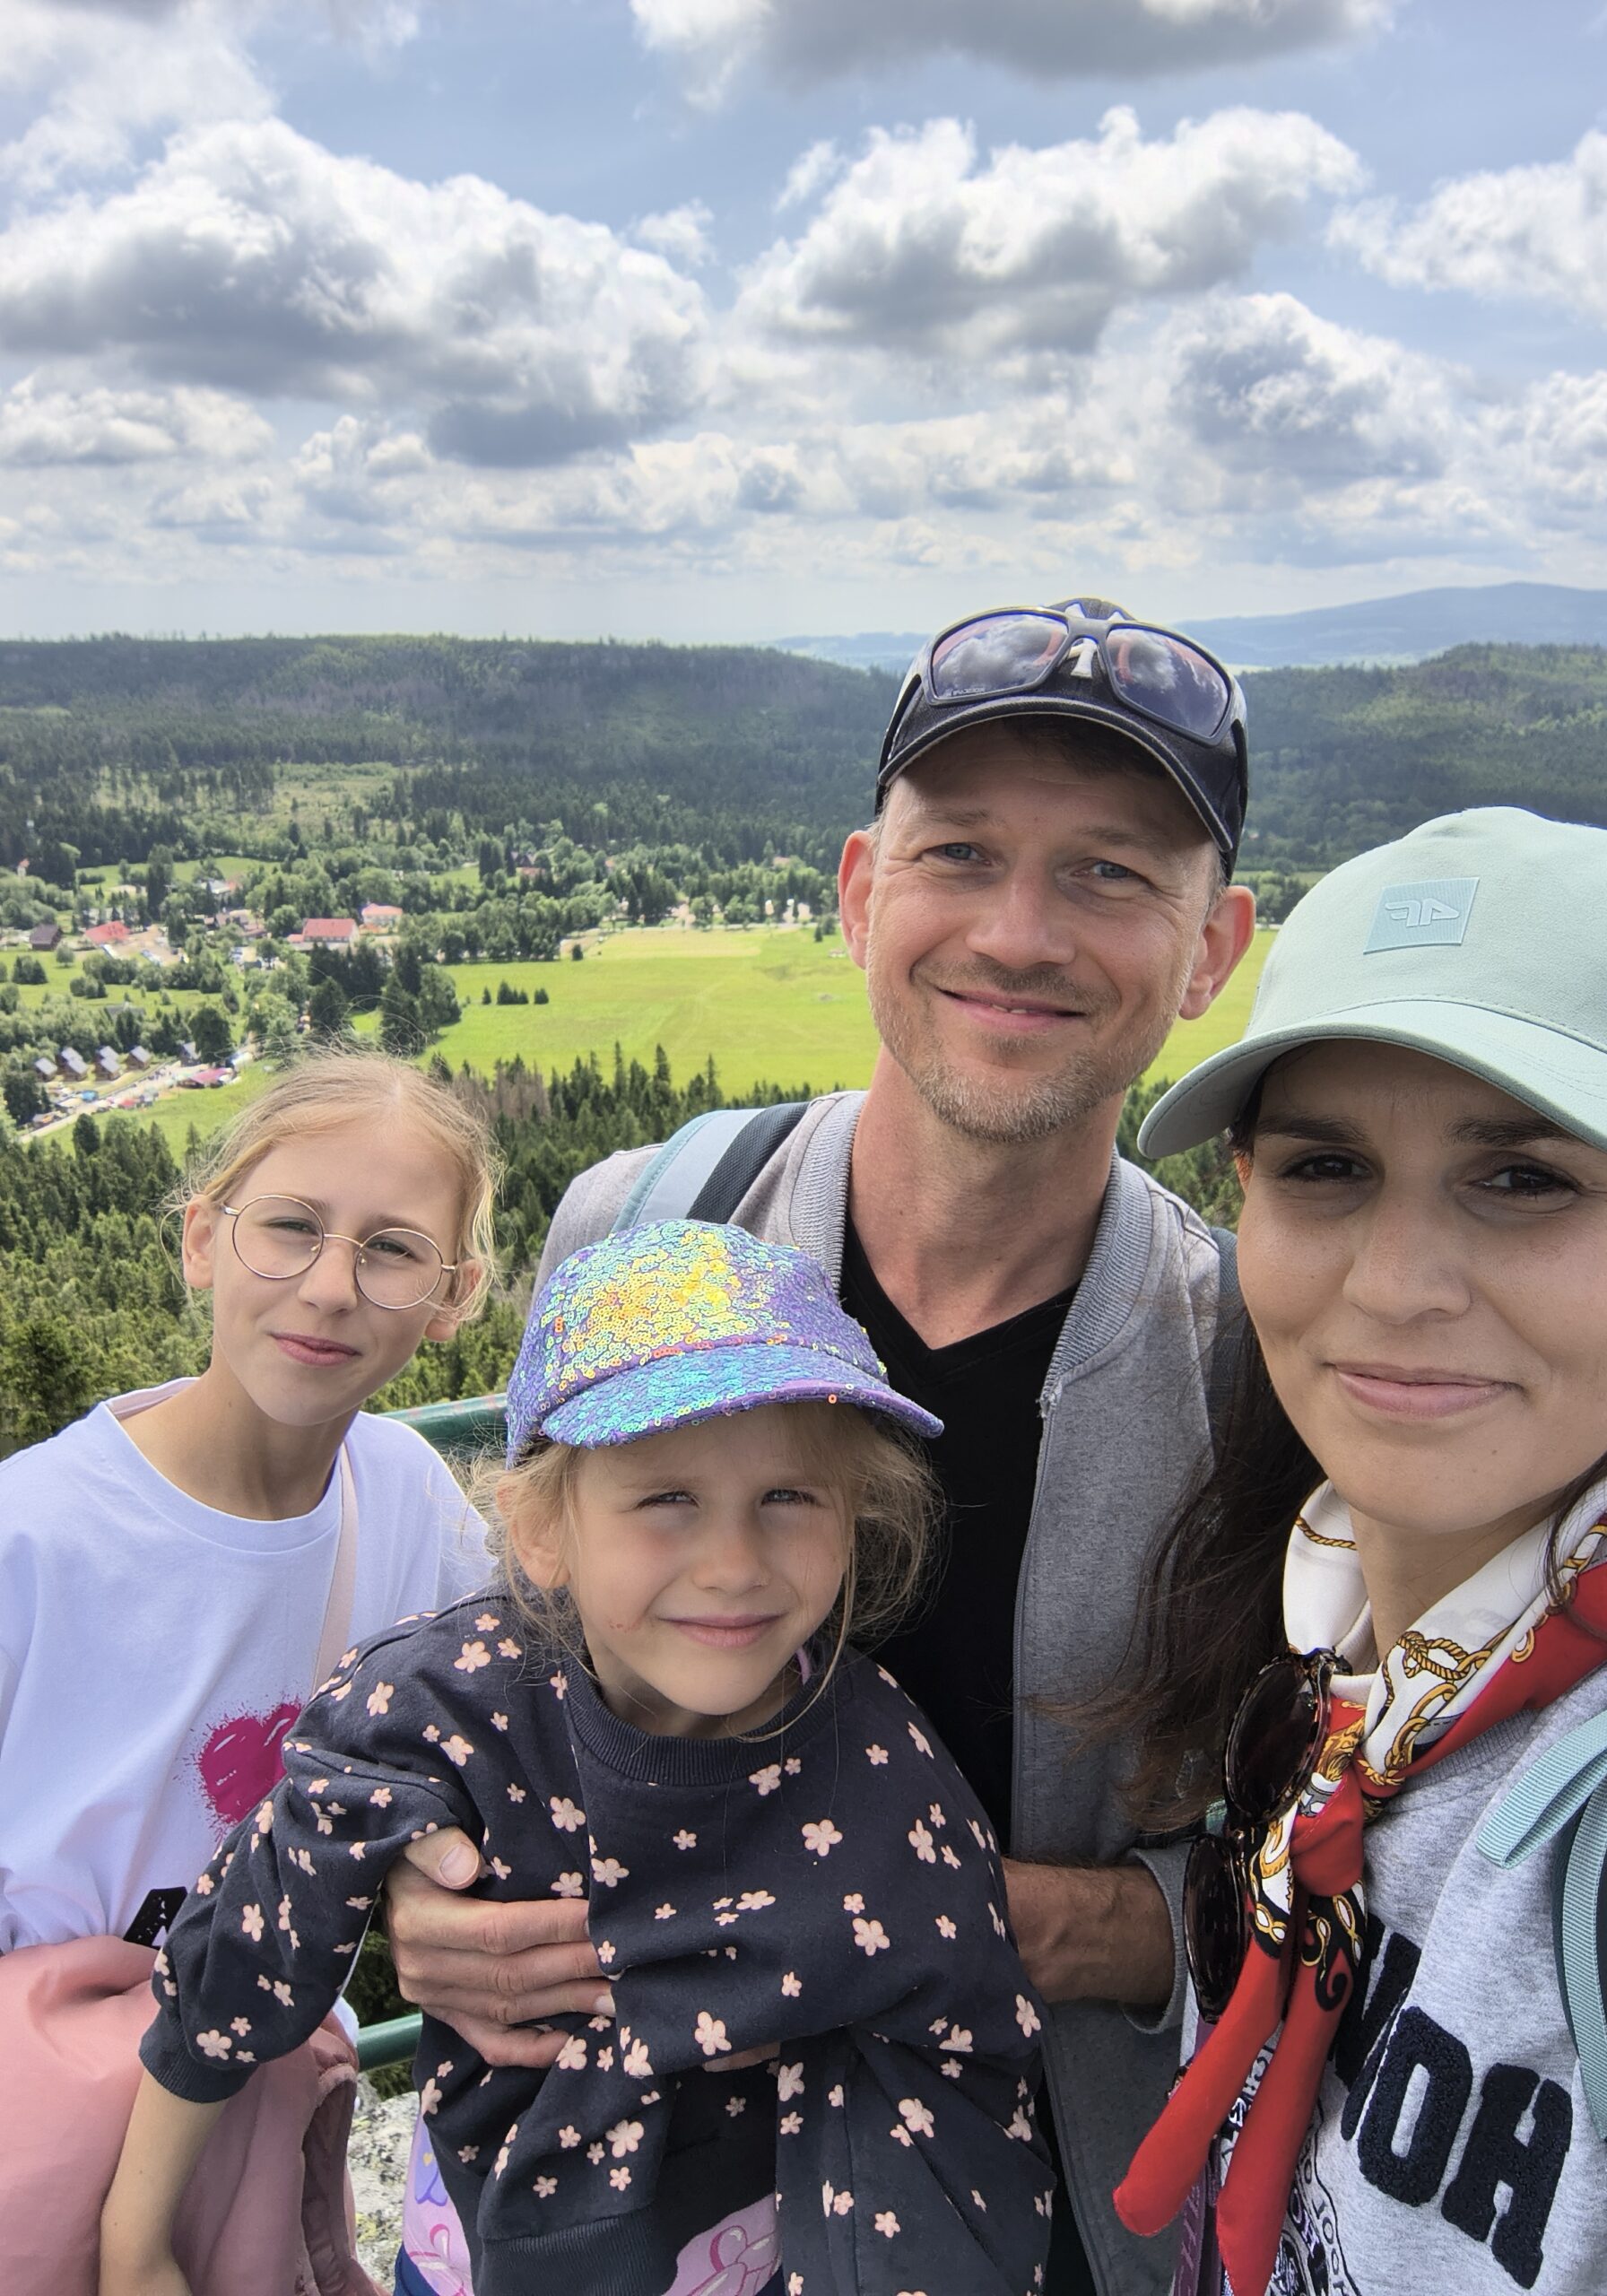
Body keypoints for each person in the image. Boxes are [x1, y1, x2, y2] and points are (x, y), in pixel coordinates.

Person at [381, 598, 1259, 2294]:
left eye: (1110, 874)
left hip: (1032, 2204)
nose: (1019, 932)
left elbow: (1289, 1871)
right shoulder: (639, 1222)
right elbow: (521, 1661)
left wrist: (969, 1911)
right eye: (963, 854)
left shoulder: (1243, 1369)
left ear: (1212, 950)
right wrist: (431, 1893)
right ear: (863, 888)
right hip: (606, 2177)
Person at [100, 1220, 1055, 2296]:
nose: (735, 1563)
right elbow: (239, 1961)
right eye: (667, 1499)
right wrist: (136, 2247)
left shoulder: (884, 1775)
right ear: (541, 1531)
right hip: (469, 2254)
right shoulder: (439, 1709)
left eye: (790, 1496)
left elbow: (963, 2067)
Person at [1103, 806, 1607, 2296]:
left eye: (1523, 1179)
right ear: (1243, 1200)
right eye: (1327, 1169)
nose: (1396, 1284)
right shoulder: (1323, 1668)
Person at [0, 1049, 497, 2292]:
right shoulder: (32, 1541)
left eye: (390, 1250)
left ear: (453, 1296)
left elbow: (492, 1757)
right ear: (200, 1243)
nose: (328, 1288)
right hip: (43, 2130)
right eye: (288, 1227)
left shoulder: (409, 1501)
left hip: (257, 2115)